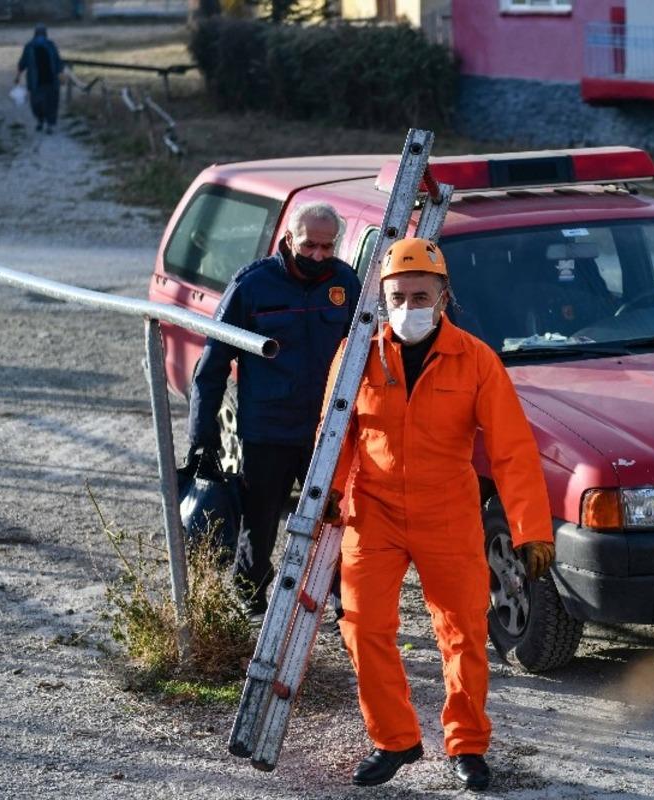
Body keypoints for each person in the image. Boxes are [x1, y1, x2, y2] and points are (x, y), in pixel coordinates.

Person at [325, 238, 555, 792]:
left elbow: (513, 450)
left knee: (463, 634)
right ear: (381, 298)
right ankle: (394, 739)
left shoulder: (476, 360)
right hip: (372, 512)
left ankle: (468, 745)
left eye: (420, 294)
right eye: (397, 296)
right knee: (362, 628)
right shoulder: (357, 354)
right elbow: (335, 432)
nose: (408, 306)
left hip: (447, 514)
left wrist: (530, 529)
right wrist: (329, 496)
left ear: (443, 296)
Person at [188, 202, 361, 618]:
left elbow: (367, 354)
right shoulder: (252, 286)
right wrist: (202, 436)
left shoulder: (346, 283)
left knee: (338, 520)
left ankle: (342, 602)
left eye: (327, 246)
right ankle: (250, 596)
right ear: (288, 239)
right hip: (267, 430)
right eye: (309, 245)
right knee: (260, 520)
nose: (318, 255)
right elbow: (211, 366)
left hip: (328, 429)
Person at [14, 24, 63, 134]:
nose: (41, 35)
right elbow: (22, 63)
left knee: (51, 104)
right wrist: (17, 76)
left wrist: (61, 74)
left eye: (42, 33)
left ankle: (50, 125)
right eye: (39, 33)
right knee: (36, 104)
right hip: (35, 82)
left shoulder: (51, 45)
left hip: (51, 81)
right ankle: (40, 120)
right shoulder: (29, 47)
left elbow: (58, 60)